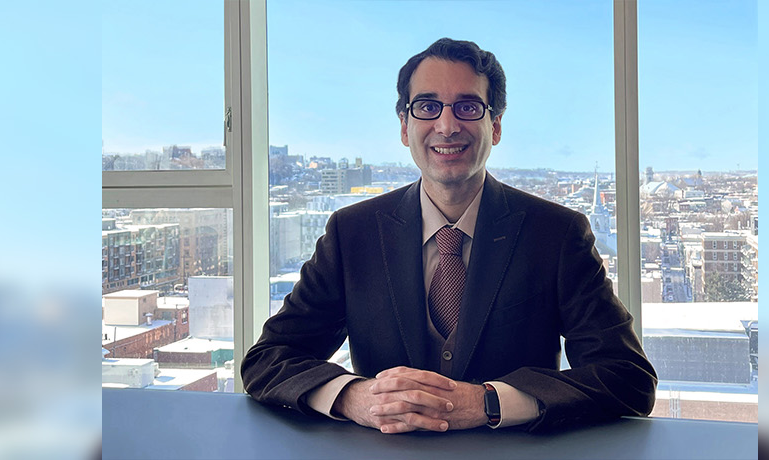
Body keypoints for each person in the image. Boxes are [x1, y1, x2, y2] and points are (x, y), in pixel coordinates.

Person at [241, 37, 655, 434]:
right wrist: (354, 396)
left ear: (495, 126)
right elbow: (268, 359)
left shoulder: (557, 234)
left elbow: (627, 377)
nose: (447, 125)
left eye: (468, 107)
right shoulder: (353, 233)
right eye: (427, 106)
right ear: (405, 127)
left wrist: (488, 403)